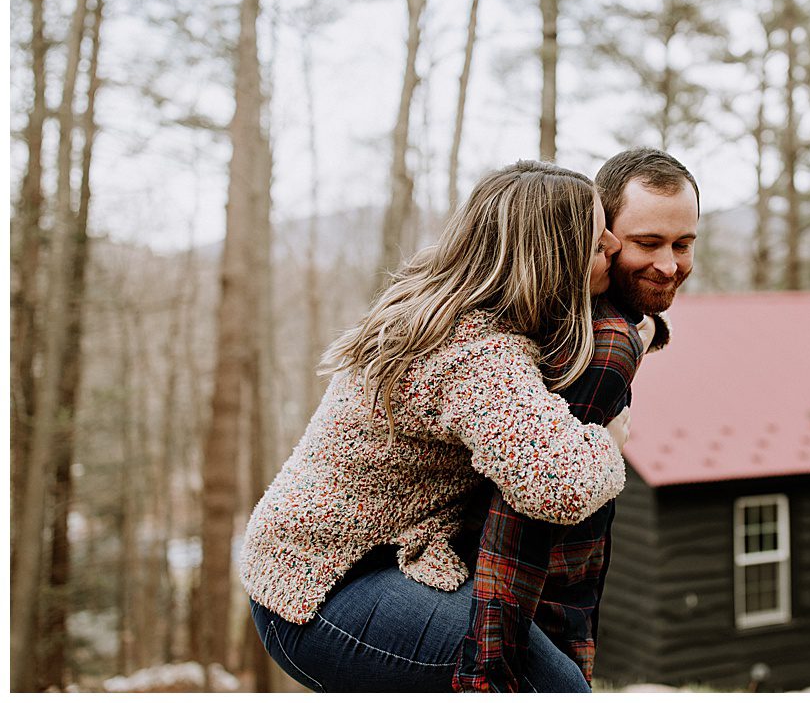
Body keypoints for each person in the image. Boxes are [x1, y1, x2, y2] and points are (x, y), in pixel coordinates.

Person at [240, 161, 626, 692]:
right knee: (550, 687)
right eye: (595, 233)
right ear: (550, 251)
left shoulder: (456, 311)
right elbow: (560, 486)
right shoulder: (472, 352)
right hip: (321, 591)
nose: (612, 242)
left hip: (346, 564)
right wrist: (608, 443)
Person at [454, 147, 699, 691]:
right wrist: (496, 668)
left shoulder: (583, 320)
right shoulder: (605, 343)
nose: (669, 264)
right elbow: (521, 514)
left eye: (683, 244)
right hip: (538, 614)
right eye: (647, 243)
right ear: (601, 236)